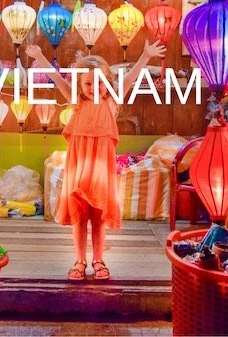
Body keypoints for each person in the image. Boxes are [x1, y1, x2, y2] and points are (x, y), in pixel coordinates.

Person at [26, 40, 166, 281]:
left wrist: (145, 55)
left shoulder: (111, 101)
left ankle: (98, 259)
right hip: (78, 165)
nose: (95, 87)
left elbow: (131, 78)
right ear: (80, 85)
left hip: (101, 166)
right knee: (79, 216)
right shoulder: (77, 100)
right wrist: (39, 57)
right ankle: (79, 261)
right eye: (88, 83)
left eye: (100, 82)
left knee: (98, 216)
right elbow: (57, 78)